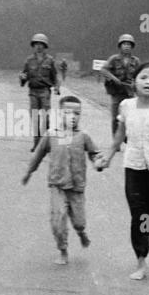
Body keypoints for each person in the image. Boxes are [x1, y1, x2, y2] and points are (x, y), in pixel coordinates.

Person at [97, 63, 149, 280]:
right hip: (133, 166)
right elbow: (118, 137)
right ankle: (141, 260)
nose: (148, 82)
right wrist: (108, 156)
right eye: (143, 77)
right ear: (134, 81)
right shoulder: (126, 106)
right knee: (138, 213)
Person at [21, 95, 102, 265]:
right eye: (67, 113)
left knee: (79, 221)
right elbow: (38, 155)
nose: (72, 117)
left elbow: (94, 153)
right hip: (57, 185)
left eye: (77, 113)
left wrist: (98, 162)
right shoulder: (51, 135)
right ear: (60, 114)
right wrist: (29, 172)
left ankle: (81, 233)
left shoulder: (83, 136)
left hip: (77, 186)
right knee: (58, 220)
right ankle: (63, 249)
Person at [19, 33, 61, 152]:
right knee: (35, 118)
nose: (38, 46)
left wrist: (57, 87)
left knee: (46, 118)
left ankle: (46, 144)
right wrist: (22, 78)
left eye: (41, 44)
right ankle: (37, 144)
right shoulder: (29, 61)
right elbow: (24, 76)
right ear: (33, 46)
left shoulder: (50, 60)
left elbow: (55, 76)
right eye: (36, 44)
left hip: (45, 92)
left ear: (45, 46)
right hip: (33, 92)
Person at [98, 35, 140, 137]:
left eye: (129, 44)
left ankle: (126, 136)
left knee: (129, 116)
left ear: (132, 47)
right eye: (124, 44)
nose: (126, 46)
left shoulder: (136, 61)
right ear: (120, 46)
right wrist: (114, 78)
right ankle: (116, 139)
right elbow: (103, 70)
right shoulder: (114, 59)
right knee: (115, 117)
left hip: (129, 92)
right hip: (116, 92)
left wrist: (135, 82)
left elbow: (141, 74)